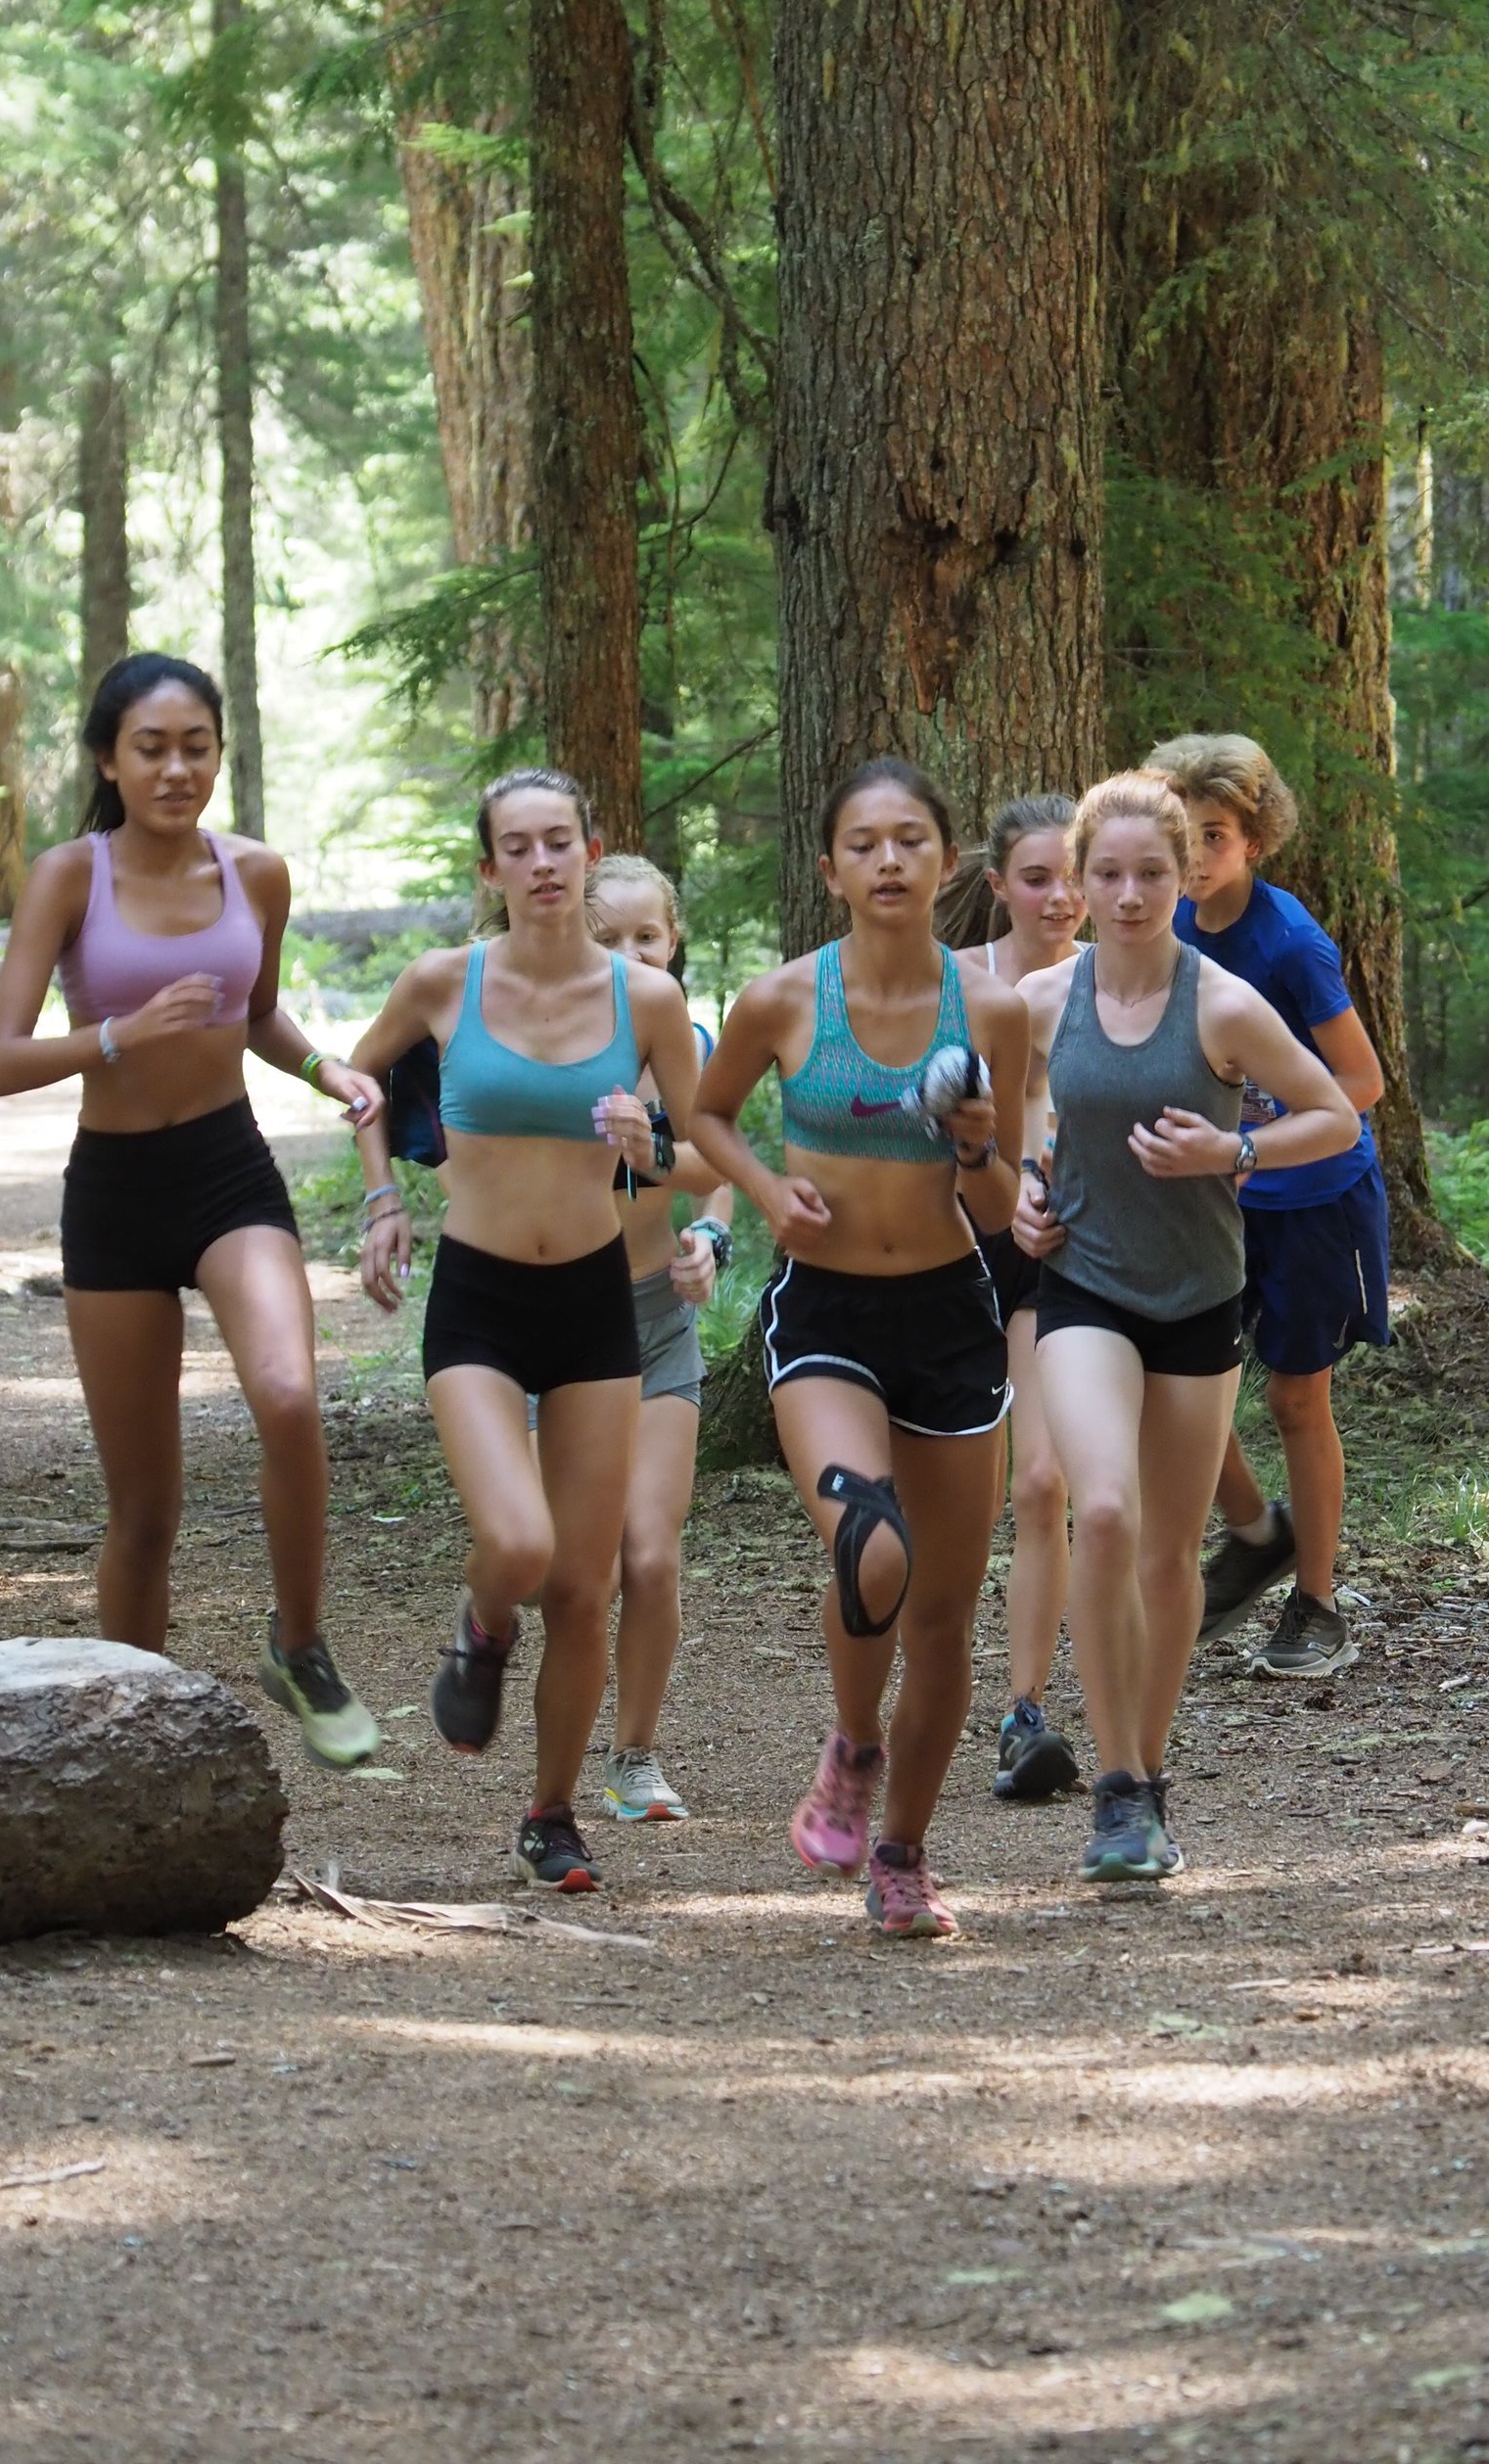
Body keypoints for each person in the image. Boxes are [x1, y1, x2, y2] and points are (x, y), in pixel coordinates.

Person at [0, 651, 385, 1763]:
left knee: (291, 1395)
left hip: (224, 1170)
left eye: (194, 747)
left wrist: (327, 1073)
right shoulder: (71, 874)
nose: (175, 769)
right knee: (144, 1511)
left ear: (219, 754)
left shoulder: (256, 873)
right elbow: (0, 1060)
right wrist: (119, 1033)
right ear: (109, 760)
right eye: (150, 748)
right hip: (112, 1194)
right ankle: (136, 1731)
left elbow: (258, 1016)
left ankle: (298, 1645)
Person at [692, 760, 1029, 1940]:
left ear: (948, 864)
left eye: (911, 842)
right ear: (829, 867)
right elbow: (705, 1111)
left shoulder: (991, 1012)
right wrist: (765, 1191)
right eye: (864, 844)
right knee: (870, 1546)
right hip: (823, 1315)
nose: (889, 862)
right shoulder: (782, 1001)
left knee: (940, 1612)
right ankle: (852, 1746)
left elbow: (1000, 1214)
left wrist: (981, 1146)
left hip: (950, 1319)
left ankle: (903, 1855)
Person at [347, 770, 700, 1893]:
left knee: (585, 1587)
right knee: (518, 1545)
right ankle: (480, 1619)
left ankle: (550, 1813)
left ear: (590, 854)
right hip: (481, 1304)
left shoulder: (642, 1002)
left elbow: (701, 1148)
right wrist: (384, 1200)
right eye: (520, 847)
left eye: (561, 843)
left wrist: (651, 1144)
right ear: (489, 870)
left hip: (597, 1303)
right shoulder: (442, 983)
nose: (544, 864)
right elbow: (359, 1080)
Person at [1014, 770, 1360, 1881]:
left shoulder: (1221, 1004)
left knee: (1167, 1554)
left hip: (1199, 1300)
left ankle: (1147, 1778)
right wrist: (1026, 1183)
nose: (1126, 894)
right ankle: (1114, 1785)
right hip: (1081, 1291)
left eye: (1150, 874)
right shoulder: (1039, 1000)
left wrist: (1234, 1151)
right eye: (1106, 874)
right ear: (1076, 881)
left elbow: (1335, 1109)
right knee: (1100, 1508)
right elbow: (1020, 1108)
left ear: (1181, 877)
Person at [1144, 733, 1391, 1679]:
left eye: (1216, 836)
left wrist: (1253, 1146)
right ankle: (1256, 1532)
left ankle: (1318, 1601)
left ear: (1256, 842)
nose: (1198, 857)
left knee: (1295, 1397)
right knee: (1176, 1388)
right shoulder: (1157, 931)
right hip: (1212, 1198)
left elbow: (1361, 1081)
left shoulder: (1289, 945)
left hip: (1313, 1198)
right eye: (1185, 836)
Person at [582, 854, 736, 1824]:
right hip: (553, 1324)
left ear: (673, 941)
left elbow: (718, 1169)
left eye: (648, 937)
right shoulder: (549, 1044)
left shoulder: (693, 1042)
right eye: (610, 940)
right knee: (573, 1566)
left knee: (650, 1555)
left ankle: (633, 1756)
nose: (633, 954)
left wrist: (710, 1238)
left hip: (655, 1321)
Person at [954, 794, 1083, 1802]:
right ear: (998, 885)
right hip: (944, 1258)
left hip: (1057, 1260)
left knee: (1041, 1484)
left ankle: (1024, 1712)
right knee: (935, 1512)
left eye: (1074, 874)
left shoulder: (1122, 980)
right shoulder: (955, 983)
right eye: (1036, 877)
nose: (1062, 896)